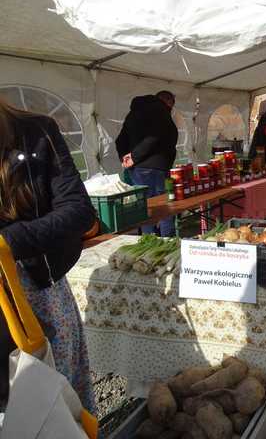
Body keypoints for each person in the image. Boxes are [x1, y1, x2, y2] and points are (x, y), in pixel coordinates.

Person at [0, 98, 95, 411]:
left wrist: (9, 242)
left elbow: (79, 211)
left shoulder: (36, 132)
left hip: (38, 292)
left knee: (58, 404)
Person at [116, 90, 178, 237]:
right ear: (167, 101)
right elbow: (154, 137)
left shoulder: (133, 113)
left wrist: (125, 157)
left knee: (145, 208)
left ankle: (149, 240)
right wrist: (135, 156)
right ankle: (167, 240)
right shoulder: (161, 112)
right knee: (165, 207)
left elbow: (120, 140)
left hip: (137, 169)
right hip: (158, 167)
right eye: (171, 105)